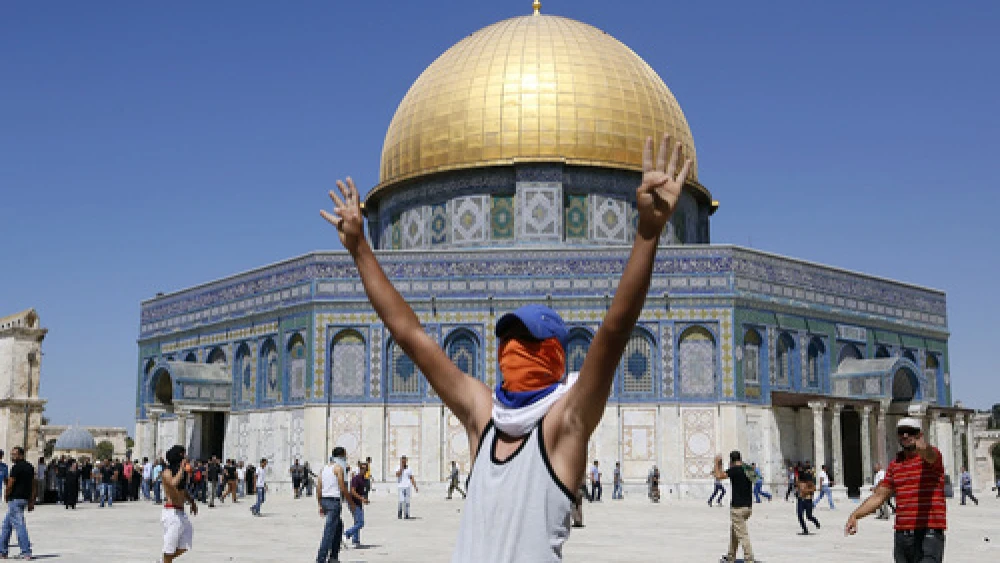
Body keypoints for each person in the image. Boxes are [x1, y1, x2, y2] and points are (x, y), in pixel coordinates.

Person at [321, 134, 692, 561]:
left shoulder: (562, 427)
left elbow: (613, 331)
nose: (516, 351)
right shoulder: (486, 420)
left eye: (530, 343)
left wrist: (647, 234)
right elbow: (411, 336)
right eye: (510, 341)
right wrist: (361, 249)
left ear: (557, 356)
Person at [846, 418, 947, 563]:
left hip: (928, 534)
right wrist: (855, 515)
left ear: (920, 435)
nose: (905, 436)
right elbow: (879, 496)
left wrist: (923, 447)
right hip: (902, 536)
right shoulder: (895, 465)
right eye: (901, 432)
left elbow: (930, 455)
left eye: (911, 432)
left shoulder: (932, 459)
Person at [713, 451, 755, 563]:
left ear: (731, 460)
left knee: (742, 535)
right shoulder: (748, 469)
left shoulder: (734, 470)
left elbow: (718, 476)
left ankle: (749, 558)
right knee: (735, 532)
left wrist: (716, 463)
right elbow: (755, 478)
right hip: (748, 507)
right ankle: (731, 556)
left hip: (738, 508)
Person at [316, 447, 355, 563]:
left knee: (338, 527)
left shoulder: (324, 469)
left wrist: (320, 504)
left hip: (325, 500)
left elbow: (318, 487)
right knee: (329, 531)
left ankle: (333, 557)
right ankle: (321, 559)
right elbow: (342, 487)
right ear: (341, 456)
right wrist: (351, 502)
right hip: (333, 502)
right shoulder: (338, 469)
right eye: (344, 456)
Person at [160, 445, 198, 563]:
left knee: (185, 545)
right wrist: (182, 468)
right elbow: (173, 483)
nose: (185, 457)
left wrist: (191, 501)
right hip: (171, 513)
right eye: (183, 455)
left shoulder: (181, 473)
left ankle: (163, 561)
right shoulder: (167, 472)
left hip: (181, 513)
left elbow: (182, 490)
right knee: (169, 549)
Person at [0, 447, 34, 560]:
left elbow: (10, 483)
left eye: (14, 454)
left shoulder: (16, 468)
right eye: (11, 454)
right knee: (6, 525)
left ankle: (26, 552)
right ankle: (2, 551)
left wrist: (6, 495)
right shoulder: (30, 467)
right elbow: (33, 485)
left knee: (19, 525)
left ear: (21, 455)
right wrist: (31, 501)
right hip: (24, 499)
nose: (12, 457)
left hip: (15, 499)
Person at [344, 460, 370, 546]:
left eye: (365, 469)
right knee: (360, 522)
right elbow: (352, 491)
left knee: (357, 521)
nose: (364, 470)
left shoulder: (364, 479)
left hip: (358, 502)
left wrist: (364, 499)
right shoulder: (356, 479)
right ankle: (347, 534)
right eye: (362, 468)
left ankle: (355, 540)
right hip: (353, 502)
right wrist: (362, 499)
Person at [796, 461, 820, 535]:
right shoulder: (799, 480)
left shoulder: (809, 480)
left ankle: (816, 522)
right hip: (800, 499)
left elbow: (814, 489)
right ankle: (805, 529)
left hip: (808, 500)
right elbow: (797, 487)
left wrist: (806, 490)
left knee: (809, 516)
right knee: (800, 515)